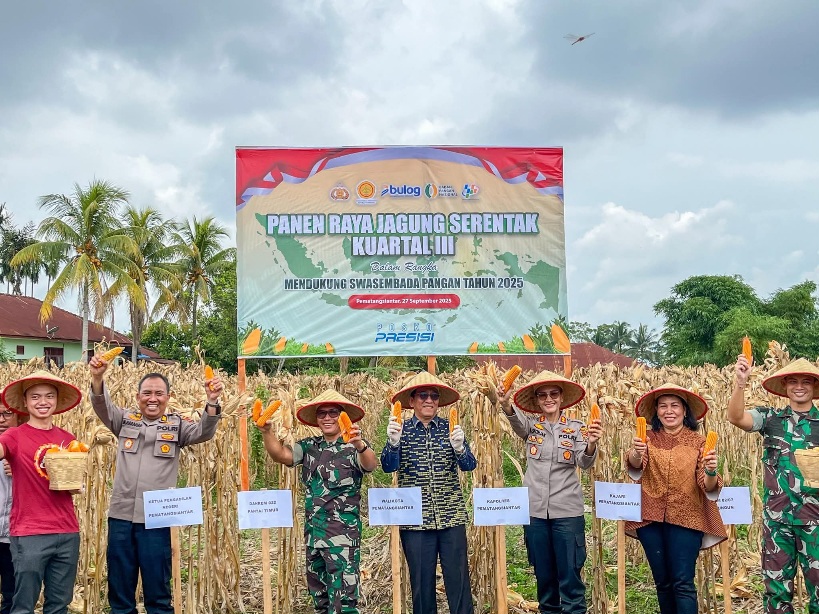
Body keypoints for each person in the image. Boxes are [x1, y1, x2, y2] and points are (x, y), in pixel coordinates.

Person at [88, 356, 223, 614]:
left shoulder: (177, 425)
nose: (153, 399)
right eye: (147, 393)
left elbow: (204, 432)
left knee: (158, 593)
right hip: (121, 518)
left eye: (159, 394)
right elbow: (101, 405)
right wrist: (97, 377)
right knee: (119, 591)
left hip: (157, 521)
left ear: (168, 397)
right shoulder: (123, 420)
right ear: (137, 397)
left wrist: (212, 401)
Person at [258, 389, 376, 614]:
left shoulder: (354, 445)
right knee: (320, 600)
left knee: (343, 603)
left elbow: (370, 464)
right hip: (314, 535)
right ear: (317, 419)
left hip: (342, 537)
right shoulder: (309, 446)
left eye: (333, 413)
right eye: (322, 414)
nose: (327, 417)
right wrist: (267, 432)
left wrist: (360, 444)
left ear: (342, 416)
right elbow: (281, 455)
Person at [498, 369, 600, 614]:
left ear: (562, 397)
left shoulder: (576, 428)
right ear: (536, 400)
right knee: (544, 577)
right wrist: (505, 403)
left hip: (567, 512)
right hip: (535, 513)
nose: (549, 399)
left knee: (570, 576)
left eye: (554, 394)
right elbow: (515, 419)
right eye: (542, 395)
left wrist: (591, 444)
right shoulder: (531, 427)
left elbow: (584, 462)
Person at [728, 356, 819, 614]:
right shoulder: (770, 418)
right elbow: (736, 417)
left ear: (813, 387)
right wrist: (740, 383)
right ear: (785, 386)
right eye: (793, 381)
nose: (799, 387)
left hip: (815, 521)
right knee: (777, 594)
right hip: (777, 522)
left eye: (805, 382)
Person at [625, 383, 726, 614]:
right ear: (656, 411)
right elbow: (635, 468)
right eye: (663, 406)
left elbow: (708, 486)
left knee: (682, 583)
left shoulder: (699, 443)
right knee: (663, 583)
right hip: (650, 517)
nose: (669, 411)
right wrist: (636, 452)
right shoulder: (647, 439)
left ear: (684, 411)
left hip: (687, 518)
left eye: (674, 406)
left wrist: (711, 471)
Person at [381, 371, 476, 614]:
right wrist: (393, 443)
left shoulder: (449, 429)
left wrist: (460, 448)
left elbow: (469, 465)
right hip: (415, 520)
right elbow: (388, 466)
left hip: (451, 515)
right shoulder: (400, 429)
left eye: (434, 396)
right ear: (412, 401)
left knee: (459, 580)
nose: (429, 400)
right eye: (423, 395)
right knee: (422, 584)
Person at [0, 370, 83, 614]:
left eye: (49, 396)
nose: (42, 402)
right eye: (35, 397)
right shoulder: (14, 436)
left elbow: (74, 480)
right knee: (23, 605)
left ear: (57, 401)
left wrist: (77, 485)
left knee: (59, 604)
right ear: (25, 403)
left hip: (67, 530)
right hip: (29, 532)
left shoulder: (67, 439)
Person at [0, 405, 23, 614]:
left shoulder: (30, 449)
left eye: (7, 413)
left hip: (15, 536)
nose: (1, 419)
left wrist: (21, 471)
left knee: (12, 595)